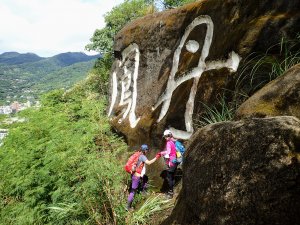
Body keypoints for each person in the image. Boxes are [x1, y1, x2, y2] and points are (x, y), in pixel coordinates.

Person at [127, 144, 159, 211]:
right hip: (136, 176)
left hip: (132, 174)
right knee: (133, 192)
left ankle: (141, 192)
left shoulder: (137, 154)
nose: (147, 151)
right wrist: (156, 157)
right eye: (147, 149)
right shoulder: (142, 156)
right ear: (145, 150)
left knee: (135, 188)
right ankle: (128, 207)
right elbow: (149, 163)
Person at [156, 129, 178, 198]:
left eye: (166, 136)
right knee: (172, 176)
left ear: (167, 136)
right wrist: (162, 153)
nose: (165, 138)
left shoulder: (168, 143)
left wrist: (163, 154)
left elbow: (168, 152)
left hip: (171, 162)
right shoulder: (172, 141)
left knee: (169, 177)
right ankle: (172, 190)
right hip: (175, 161)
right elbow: (170, 151)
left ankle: (170, 193)